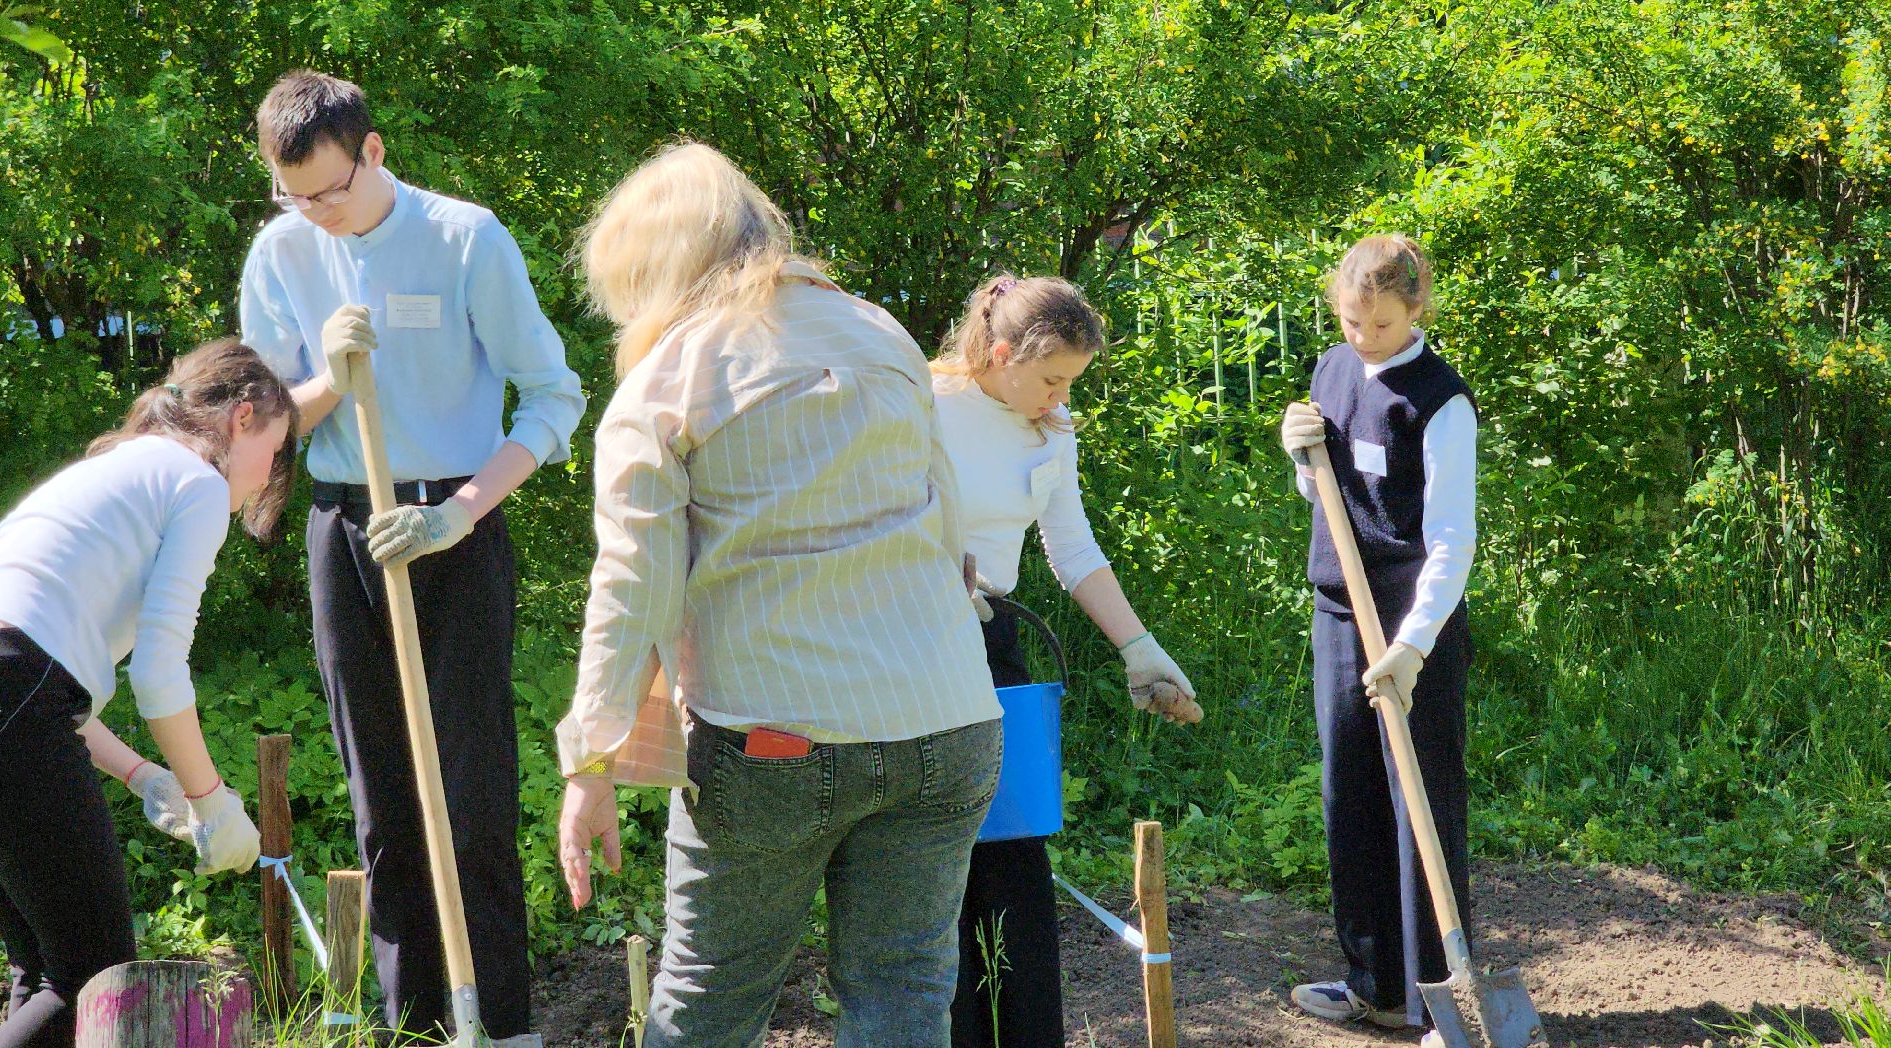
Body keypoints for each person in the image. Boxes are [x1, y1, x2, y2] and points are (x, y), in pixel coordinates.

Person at [554, 141, 1003, 1048]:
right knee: (907, 995)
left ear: (651, 268)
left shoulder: (664, 382)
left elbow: (630, 587)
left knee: (710, 1003)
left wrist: (591, 764)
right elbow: (950, 528)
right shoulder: (881, 333)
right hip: (951, 720)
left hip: (773, 741)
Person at [238, 69, 585, 1046]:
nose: (312, 213)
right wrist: (326, 383)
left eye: (329, 192)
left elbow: (553, 396)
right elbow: (262, 428)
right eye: (292, 195)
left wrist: (466, 511)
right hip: (346, 526)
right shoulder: (281, 251)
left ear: (373, 152)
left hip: (454, 528)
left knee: (470, 795)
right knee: (381, 800)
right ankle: (414, 1027)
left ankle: (500, 1026)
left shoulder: (465, 240)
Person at [0, 339, 293, 1048]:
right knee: (88, 974)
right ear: (243, 418)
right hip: (4, 699)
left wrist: (144, 776)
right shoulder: (197, 481)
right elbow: (156, 672)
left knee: (43, 968)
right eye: (275, 449)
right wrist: (212, 798)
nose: (271, 474)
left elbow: (28, 675)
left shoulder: (119, 467)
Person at [930, 273, 1202, 1048]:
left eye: (1069, 385)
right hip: (907, 655)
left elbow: (1071, 546)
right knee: (931, 876)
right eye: (1050, 380)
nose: (1058, 398)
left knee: (1015, 865)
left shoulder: (1050, 426)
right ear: (1003, 351)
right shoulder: (917, 403)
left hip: (994, 649)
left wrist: (1139, 649)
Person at [1278, 233, 1477, 1045]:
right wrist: (1301, 455)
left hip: (1411, 617)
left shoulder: (1439, 401)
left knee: (1418, 804)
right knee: (1349, 794)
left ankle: (1440, 1003)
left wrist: (1413, 646)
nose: (1366, 338)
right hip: (1339, 612)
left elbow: (1453, 539)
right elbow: (1329, 489)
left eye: (1383, 324)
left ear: (1417, 310)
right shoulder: (1332, 369)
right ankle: (1374, 986)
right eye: (1354, 322)